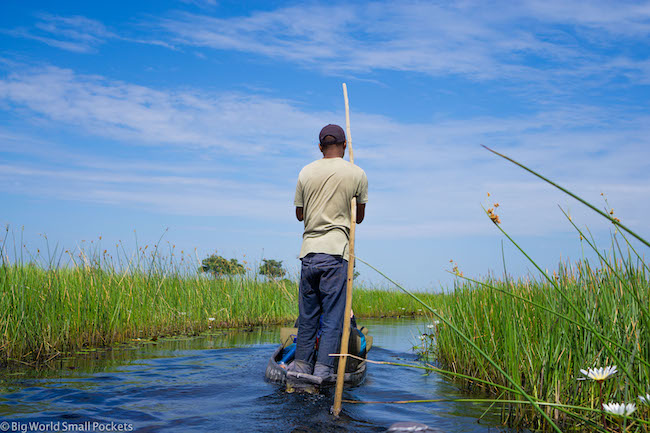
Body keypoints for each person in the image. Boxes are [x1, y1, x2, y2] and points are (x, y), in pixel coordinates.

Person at [290, 123, 368, 379]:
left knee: (308, 317)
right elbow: (359, 218)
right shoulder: (356, 173)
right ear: (345, 146)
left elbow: (300, 214)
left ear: (320, 147)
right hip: (336, 254)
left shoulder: (305, 172)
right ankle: (323, 370)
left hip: (309, 254)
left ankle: (301, 367)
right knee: (334, 318)